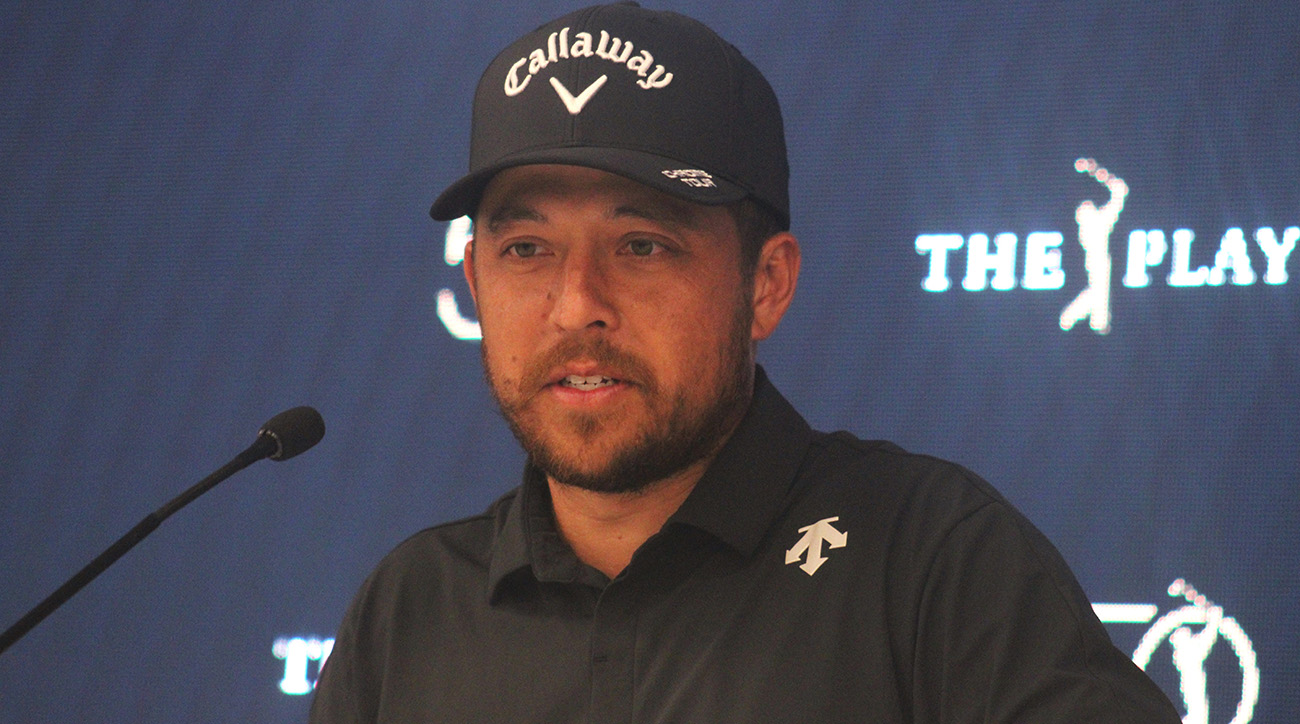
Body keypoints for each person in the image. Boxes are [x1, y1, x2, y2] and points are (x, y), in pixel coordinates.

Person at [309, 4, 1182, 722]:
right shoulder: (407, 615)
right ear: (473, 282)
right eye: (527, 248)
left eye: (642, 245)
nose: (576, 304)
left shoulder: (932, 566)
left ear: (766, 284)